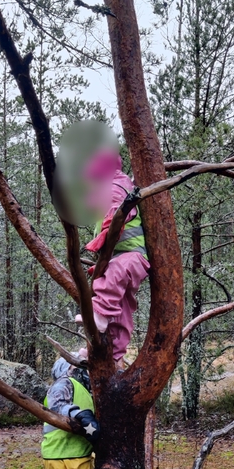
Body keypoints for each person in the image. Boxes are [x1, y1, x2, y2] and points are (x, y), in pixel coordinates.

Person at [78, 152, 149, 367]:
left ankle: (99, 313)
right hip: (122, 258)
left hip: (132, 258)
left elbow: (118, 209)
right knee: (123, 310)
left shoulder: (116, 186)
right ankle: (114, 355)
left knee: (114, 274)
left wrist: (107, 231)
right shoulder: (108, 189)